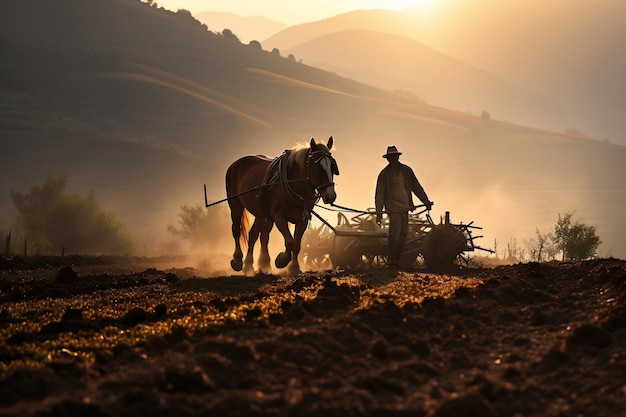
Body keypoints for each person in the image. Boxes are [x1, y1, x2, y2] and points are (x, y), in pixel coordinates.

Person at [375, 145, 433, 268]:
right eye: (390, 157)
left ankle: (398, 260)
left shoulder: (407, 171)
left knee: (403, 234)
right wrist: (378, 213)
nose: (392, 159)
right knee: (395, 233)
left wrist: (425, 200)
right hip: (393, 208)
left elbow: (416, 187)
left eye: (394, 156)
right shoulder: (384, 175)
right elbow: (379, 195)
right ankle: (392, 261)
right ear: (388, 159)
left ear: (398, 157)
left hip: (406, 207)